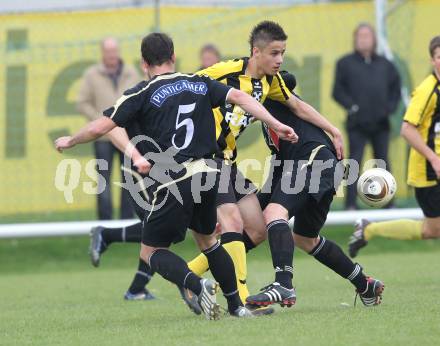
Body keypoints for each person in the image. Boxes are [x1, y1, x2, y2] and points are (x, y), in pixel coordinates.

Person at [89, 21, 344, 314]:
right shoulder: (224, 72)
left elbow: (298, 107)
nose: (280, 60)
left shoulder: (272, 82)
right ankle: (243, 302)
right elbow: (181, 87)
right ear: (256, 52)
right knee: (230, 224)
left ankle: (190, 279)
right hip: (204, 160)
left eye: (283, 53)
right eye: (274, 53)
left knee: (257, 230)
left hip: (228, 162)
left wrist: (333, 130)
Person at [55, 32, 297, 319]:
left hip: (176, 181)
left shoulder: (140, 92)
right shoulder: (199, 83)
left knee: (151, 251)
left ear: (144, 63)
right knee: (209, 242)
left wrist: (71, 141)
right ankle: (237, 307)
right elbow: (240, 98)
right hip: (211, 173)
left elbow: (100, 127)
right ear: (173, 57)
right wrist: (275, 123)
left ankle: (197, 284)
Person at [244, 71, 384, 308]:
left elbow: (287, 80)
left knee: (274, 215)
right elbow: (274, 181)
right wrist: (243, 211)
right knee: (305, 239)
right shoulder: (271, 129)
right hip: (321, 167)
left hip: (316, 161)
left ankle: (283, 284)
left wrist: (259, 85)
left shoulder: (270, 95)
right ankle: (365, 284)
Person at [348, 35, 440, 258]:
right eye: (439, 57)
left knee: (431, 230)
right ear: (432, 61)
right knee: (431, 230)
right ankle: (370, 229)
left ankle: (369, 229)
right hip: (429, 173)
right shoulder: (428, 91)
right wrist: (434, 158)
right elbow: (407, 129)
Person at [332, 23, 401, 210]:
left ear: (374, 40)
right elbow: (337, 91)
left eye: (367, 36)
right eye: (360, 36)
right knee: (354, 162)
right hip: (357, 124)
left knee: (383, 161)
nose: (364, 39)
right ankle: (351, 204)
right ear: (355, 39)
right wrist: (352, 107)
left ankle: (388, 203)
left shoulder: (386, 65)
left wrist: (389, 108)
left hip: (381, 123)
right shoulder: (344, 63)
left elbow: (396, 90)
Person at [77, 37, 140, 220]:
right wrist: (101, 122)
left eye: (114, 51)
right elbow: (82, 103)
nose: (112, 55)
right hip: (102, 138)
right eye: (108, 51)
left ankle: (126, 220)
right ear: (102, 53)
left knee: (128, 178)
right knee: (103, 180)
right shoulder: (92, 75)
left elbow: (138, 99)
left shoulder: (131, 73)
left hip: (126, 136)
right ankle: (105, 221)